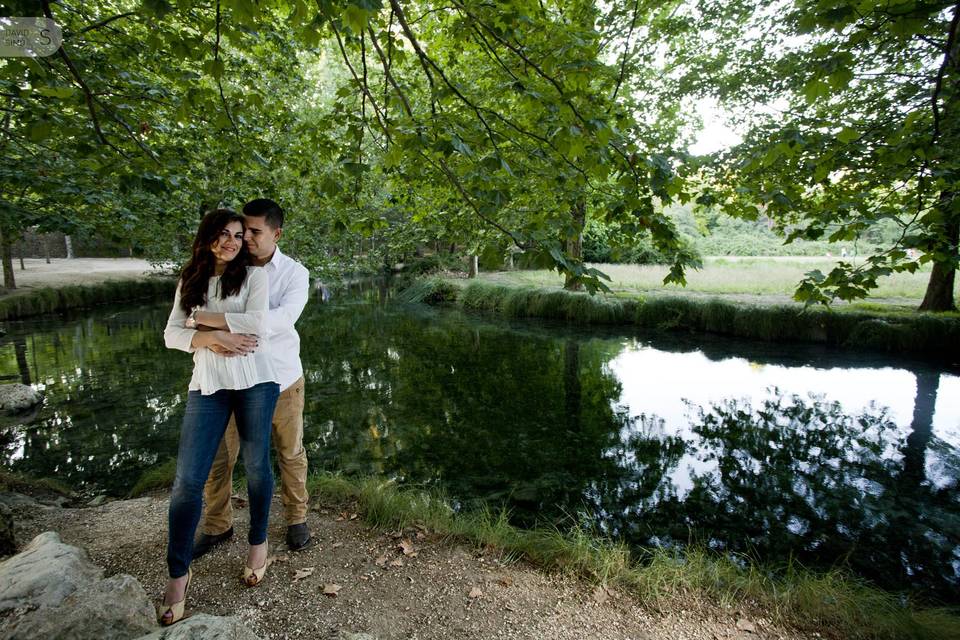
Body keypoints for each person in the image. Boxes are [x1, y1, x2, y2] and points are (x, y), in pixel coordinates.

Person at [159, 209, 280, 626]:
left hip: (256, 382)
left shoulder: (254, 277)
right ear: (207, 237)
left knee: (257, 468)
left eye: (237, 235)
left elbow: (258, 323)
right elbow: (172, 334)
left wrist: (202, 320)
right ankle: (178, 574)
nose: (232, 241)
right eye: (224, 234)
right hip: (207, 386)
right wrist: (212, 338)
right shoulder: (189, 279)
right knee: (187, 483)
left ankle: (258, 542)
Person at [193, 198, 313, 557]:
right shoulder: (228, 265)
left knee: (289, 452)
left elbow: (279, 320)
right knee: (220, 456)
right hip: (230, 380)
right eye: (243, 230)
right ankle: (218, 524)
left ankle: (296, 518)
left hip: (281, 377)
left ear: (276, 233)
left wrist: (216, 325)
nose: (244, 238)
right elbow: (196, 313)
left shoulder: (295, 273)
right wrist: (212, 329)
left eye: (254, 232)